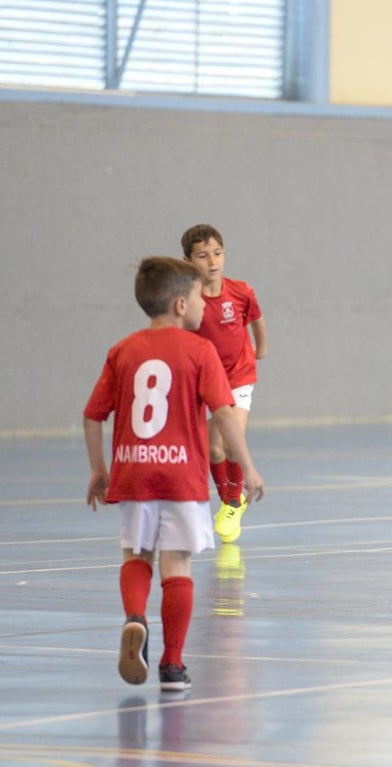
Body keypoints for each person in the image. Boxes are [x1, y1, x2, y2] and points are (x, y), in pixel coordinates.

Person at [83, 256, 265, 691]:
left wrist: (98, 470)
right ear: (182, 304)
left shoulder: (122, 350)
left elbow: (93, 416)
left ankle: (134, 618)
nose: (206, 304)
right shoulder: (201, 351)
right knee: (177, 566)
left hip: (133, 473)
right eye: (201, 296)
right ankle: (173, 665)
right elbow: (223, 413)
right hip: (181, 476)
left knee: (137, 556)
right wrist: (250, 468)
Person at [181, 224, 267, 543]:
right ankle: (229, 497)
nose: (212, 261)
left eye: (217, 253)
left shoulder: (241, 291)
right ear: (189, 260)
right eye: (203, 256)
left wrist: (262, 346)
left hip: (239, 375)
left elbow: (256, 317)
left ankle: (233, 502)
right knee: (213, 447)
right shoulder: (188, 300)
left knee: (233, 440)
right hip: (207, 381)